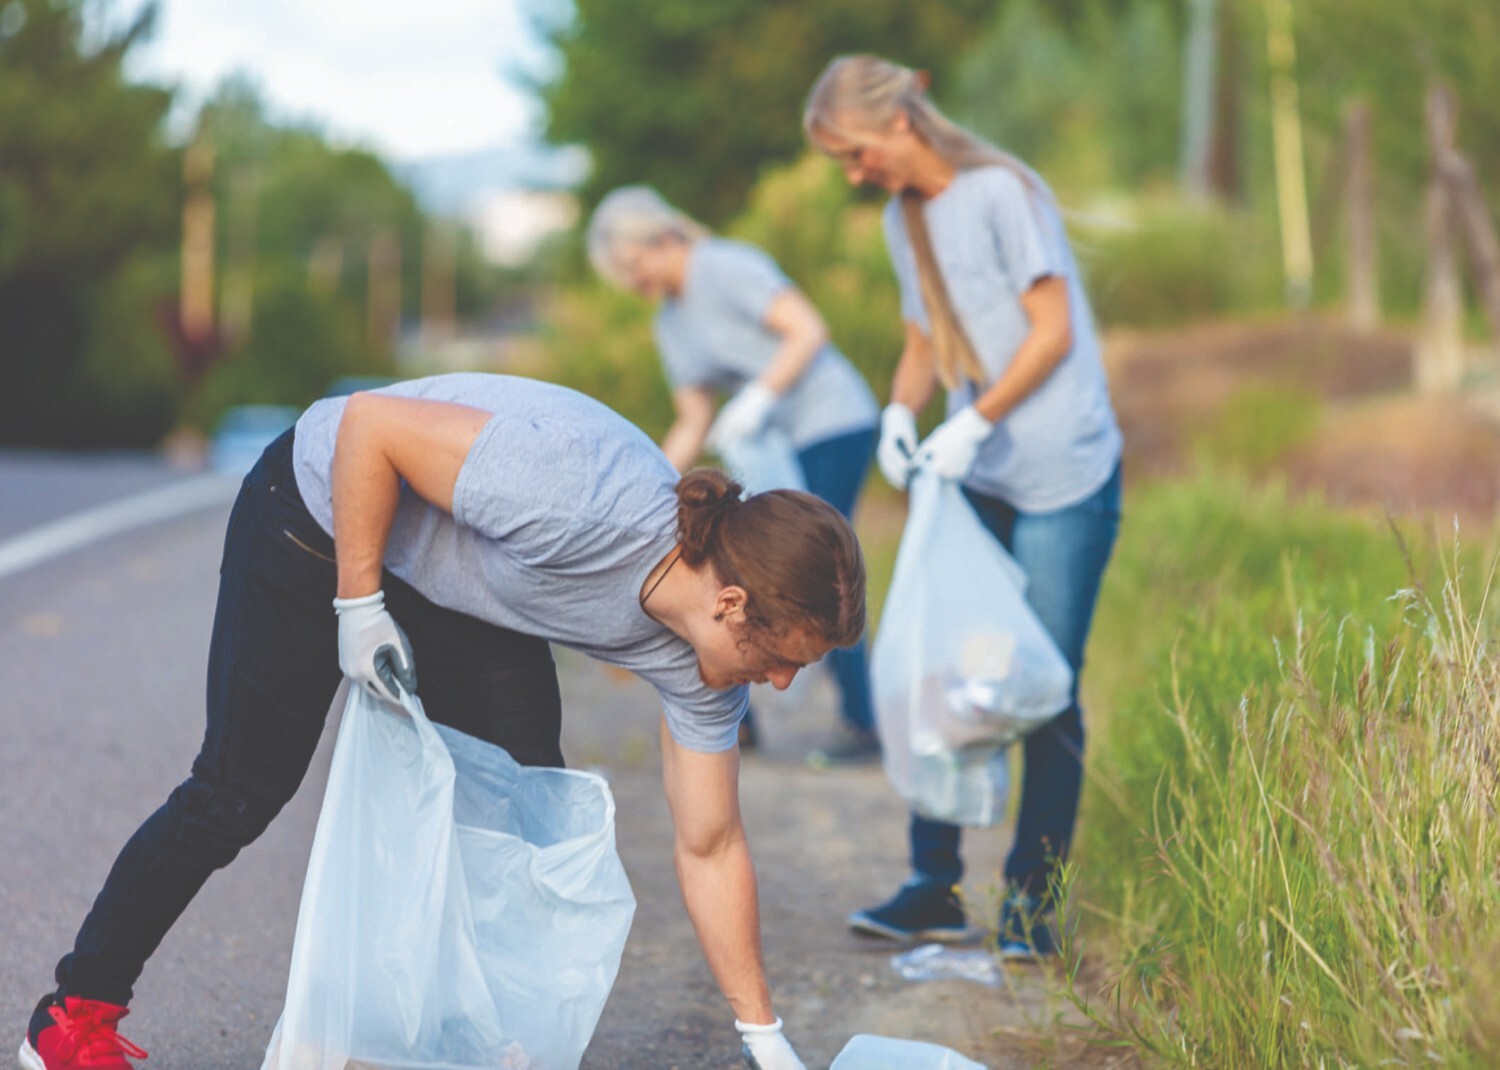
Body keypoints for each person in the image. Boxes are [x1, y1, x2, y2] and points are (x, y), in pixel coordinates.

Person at [20, 373, 864, 1070]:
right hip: (321, 509)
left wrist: (765, 1036)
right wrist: (358, 604)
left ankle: (453, 1034)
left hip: (459, 581)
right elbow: (369, 426)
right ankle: (71, 1018)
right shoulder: (578, 495)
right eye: (785, 658)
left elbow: (711, 845)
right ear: (730, 602)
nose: (782, 684)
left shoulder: (709, 671)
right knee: (238, 788)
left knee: (519, 795)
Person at [802, 55, 1123, 958]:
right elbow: (923, 337)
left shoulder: (1002, 194)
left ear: (899, 124)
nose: (854, 173)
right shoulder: (906, 220)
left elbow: (1052, 333)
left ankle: (1030, 905)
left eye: (855, 153)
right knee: (945, 670)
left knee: (1044, 688)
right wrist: (904, 411)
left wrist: (975, 418)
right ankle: (933, 884)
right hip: (977, 476)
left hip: (1065, 472)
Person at [587, 186, 882, 766]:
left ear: (660, 236)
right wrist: (650, 483)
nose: (631, 280)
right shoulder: (670, 323)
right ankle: (736, 720)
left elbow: (807, 330)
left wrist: (759, 397)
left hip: (831, 421)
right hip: (767, 442)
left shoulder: (724, 266)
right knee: (737, 565)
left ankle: (861, 722)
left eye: (631, 264)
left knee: (817, 571)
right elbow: (693, 415)